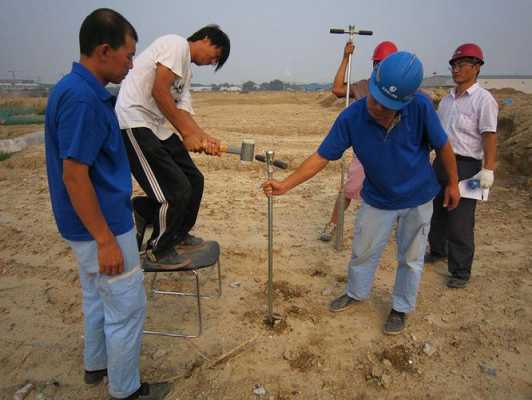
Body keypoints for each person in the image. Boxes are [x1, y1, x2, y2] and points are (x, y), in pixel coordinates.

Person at [263, 52, 460, 335]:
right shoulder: (352, 117)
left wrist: (452, 184)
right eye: (375, 98)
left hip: (418, 197)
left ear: (405, 101)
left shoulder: (421, 107)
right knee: (363, 251)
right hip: (378, 198)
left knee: (411, 257)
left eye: (386, 105)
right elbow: (321, 157)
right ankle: (356, 292)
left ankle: (401, 307)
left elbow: (443, 146)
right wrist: (286, 184)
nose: (376, 107)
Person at [45, 9, 172, 399]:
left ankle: (96, 365)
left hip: (84, 225)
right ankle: (126, 391)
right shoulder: (82, 99)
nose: (132, 64)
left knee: (96, 297)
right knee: (126, 308)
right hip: (101, 226)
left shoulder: (73, 90)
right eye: (128, 55)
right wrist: (104, 240)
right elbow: (74, 175)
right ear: (104, 50)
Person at [116, 26, 230, 268]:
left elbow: (182, 113)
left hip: (155, 126)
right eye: (216, 55)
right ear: (206, 38)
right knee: (175, 191)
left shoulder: (186, 73)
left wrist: (205, 138)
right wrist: (187, 134)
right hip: (134, 122)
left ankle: (173, 231)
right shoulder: (176, 44)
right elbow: (159, 90)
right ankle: (158, 250)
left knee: (194, 180)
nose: (213, 62)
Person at [427, 43, 498, 289]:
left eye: (461, 65)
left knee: (461, 219)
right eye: (454, 65)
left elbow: (489, 136)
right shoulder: (446, 100)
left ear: (476, 67)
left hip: (468, 165)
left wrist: (488, 169)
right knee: (436, 209)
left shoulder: (484, 100)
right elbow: (436, 133)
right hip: (441, 163)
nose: (456, 70)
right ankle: (437, 250)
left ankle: (460, 270)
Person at [319, 41, 398, 241]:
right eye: (377, 64)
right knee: (350, 189)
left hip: (391, 154)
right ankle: (333, 224)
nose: (380, 68)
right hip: (364, 152)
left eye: (385, 64)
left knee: (394, 192)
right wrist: (346, 57)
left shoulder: (401, 89)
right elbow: (337, 89)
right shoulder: (363, 86)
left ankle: (395, 230)